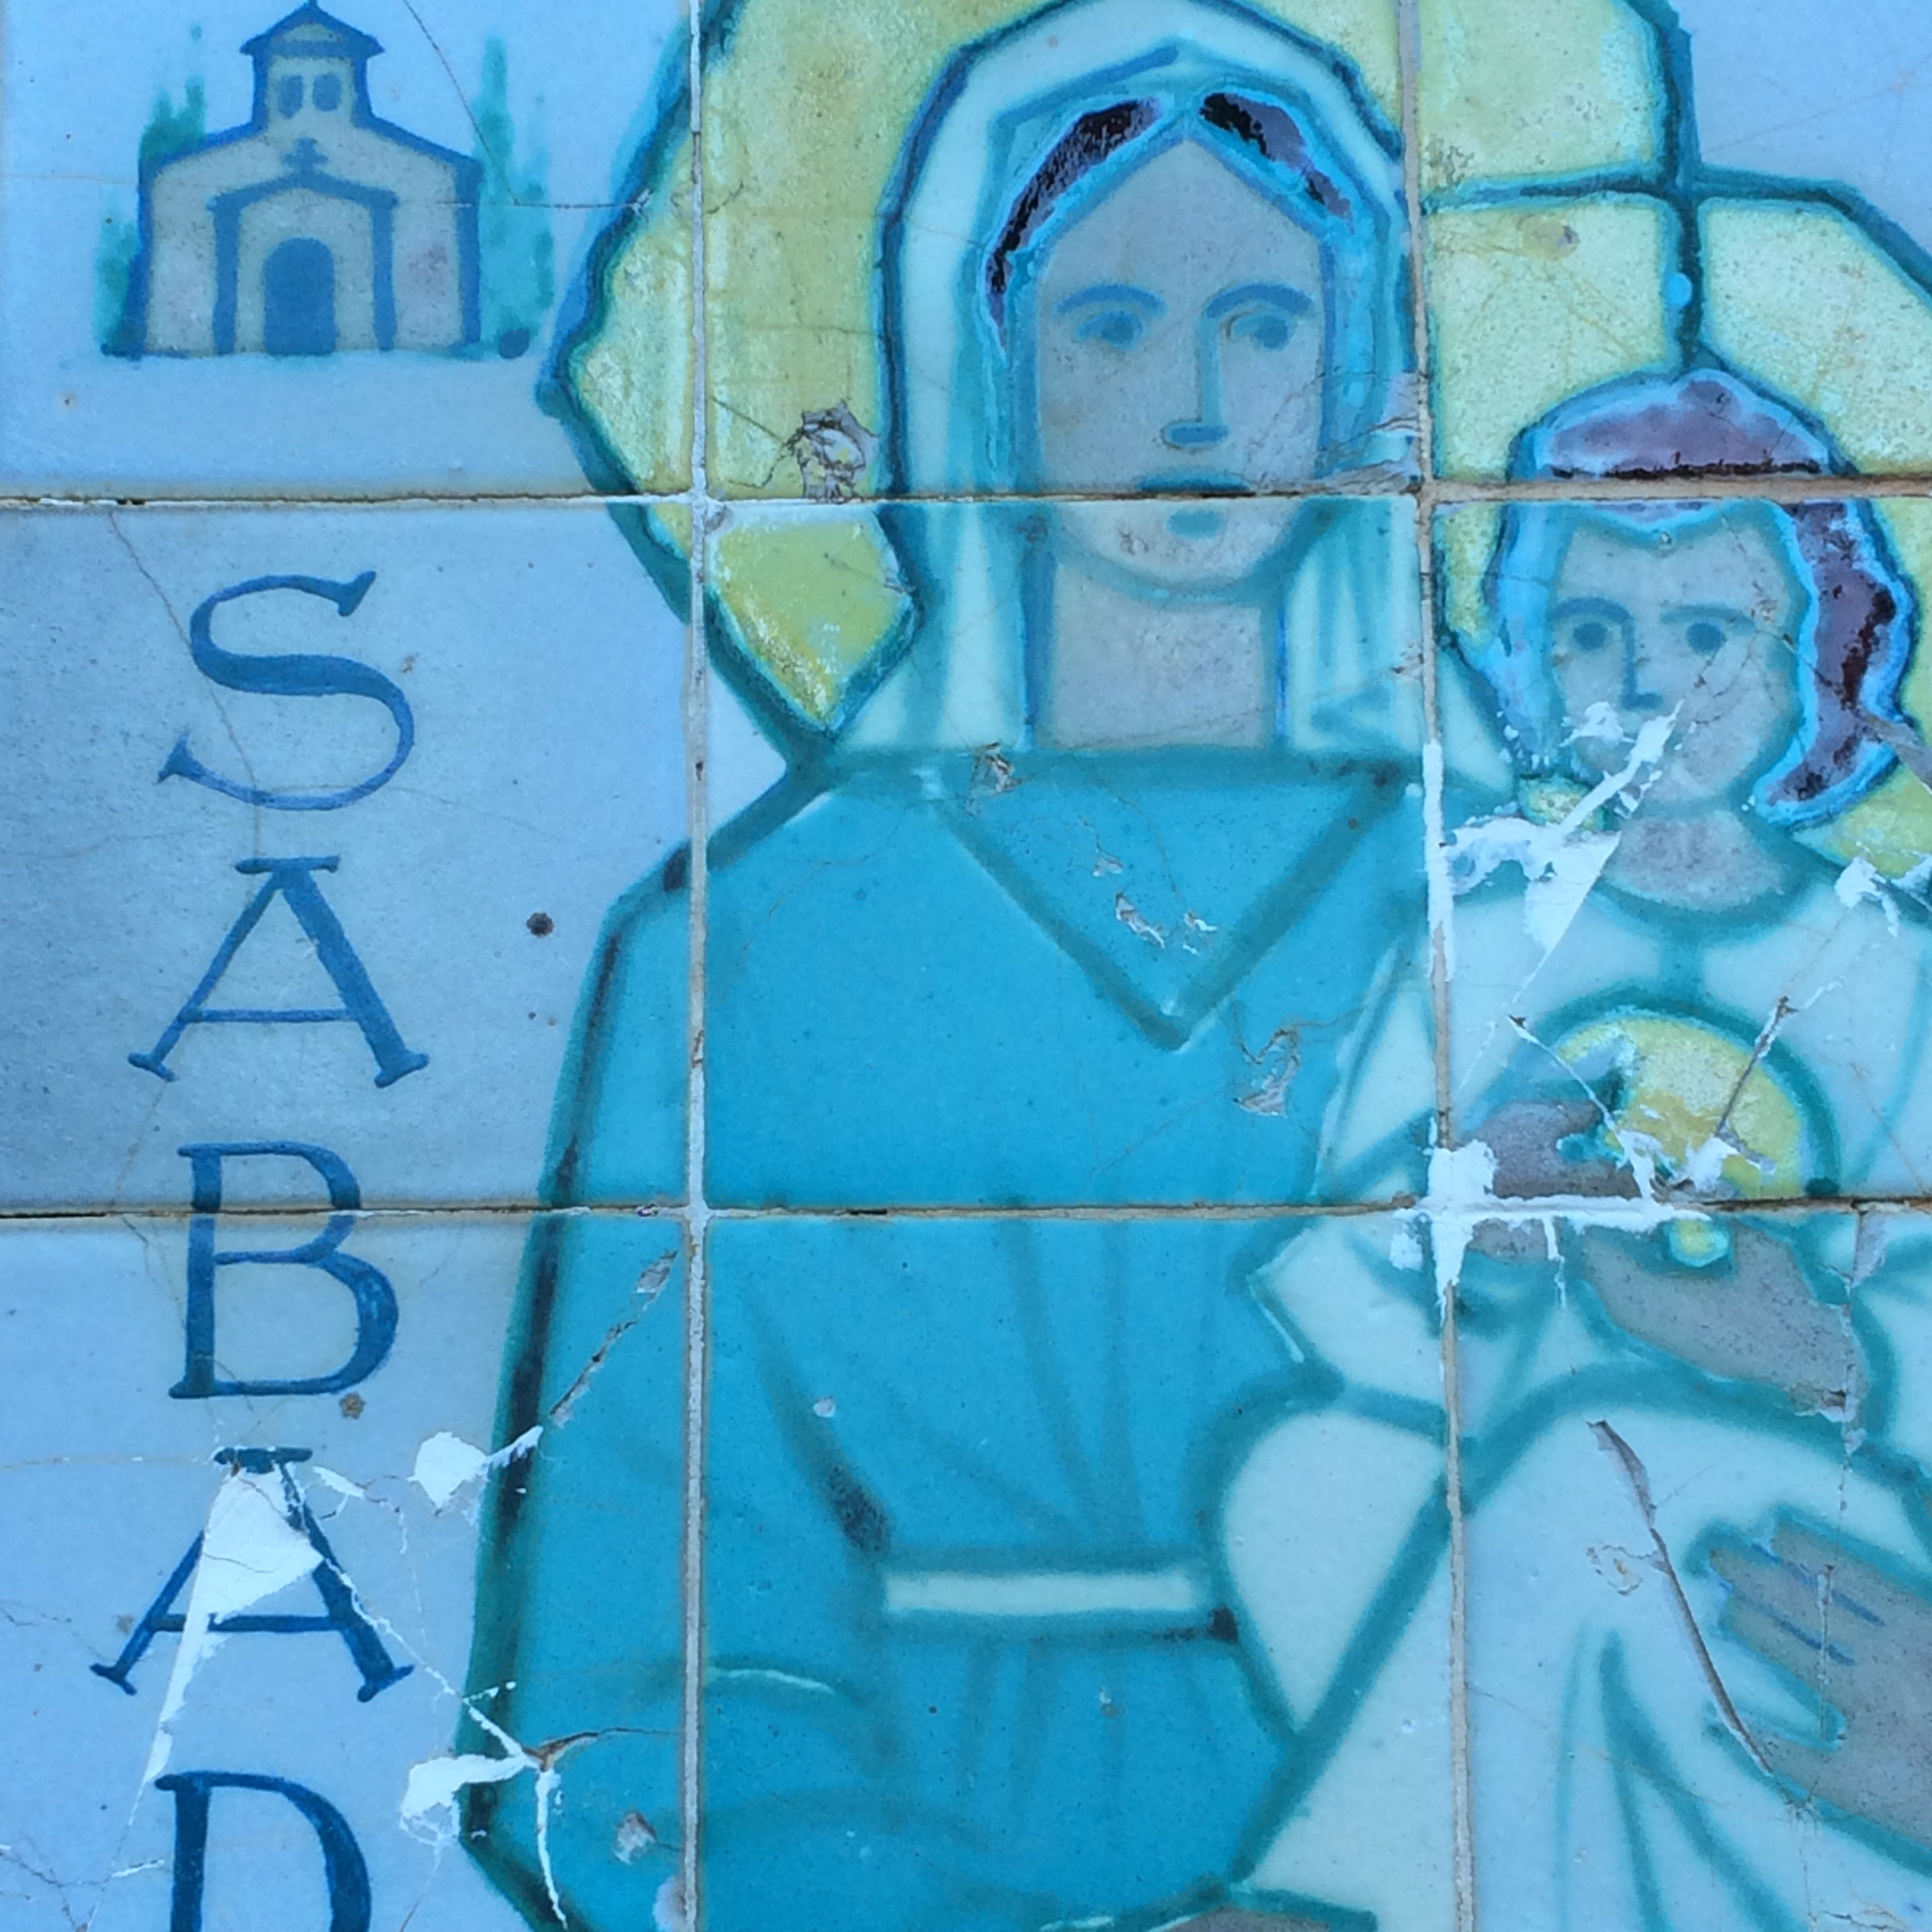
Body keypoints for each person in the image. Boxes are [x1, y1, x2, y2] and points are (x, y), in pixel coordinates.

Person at [464, 2, 1438, 1927]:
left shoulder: (1500, 919)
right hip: (904, 1846)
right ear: (983, 374)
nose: (1192, 409)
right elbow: (622, 1664)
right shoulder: (743, 949)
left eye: (1262, 326)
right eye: (1110, 327)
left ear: (1355, 384)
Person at [1249, 365, 1932, 1930]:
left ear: (1818, 653)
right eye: (1592, 631)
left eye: (1711, 632)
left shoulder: (1892, 969)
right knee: (1322, 1481)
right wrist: (1461, 1221)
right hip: (1481, 1433)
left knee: (1597, 1485)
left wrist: (1820, 1352)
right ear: (1529, 662)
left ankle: (1308, 1905)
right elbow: (1325, 1265)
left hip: (1805, 1488)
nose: (1652, 680)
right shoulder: (1479, 942)